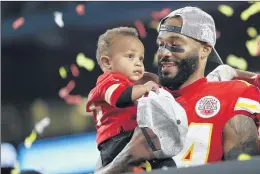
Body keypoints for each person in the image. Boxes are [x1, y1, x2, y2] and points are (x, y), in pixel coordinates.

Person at [94, 6, 260, 174]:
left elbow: (245, 168)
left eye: (174, 44)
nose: (163, 52)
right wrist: (129, 155)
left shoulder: (233, 94)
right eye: (161, 44)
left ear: (205, 49)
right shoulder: (139, 100)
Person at [86, 27, 161, 167]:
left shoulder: (126, 84)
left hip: (124, 137)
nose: (138, 63)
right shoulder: (108, 81)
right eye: (130, 56)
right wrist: (144, 88)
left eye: (141, 58)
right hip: (117, 140)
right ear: (107, 63)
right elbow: (120, 97)